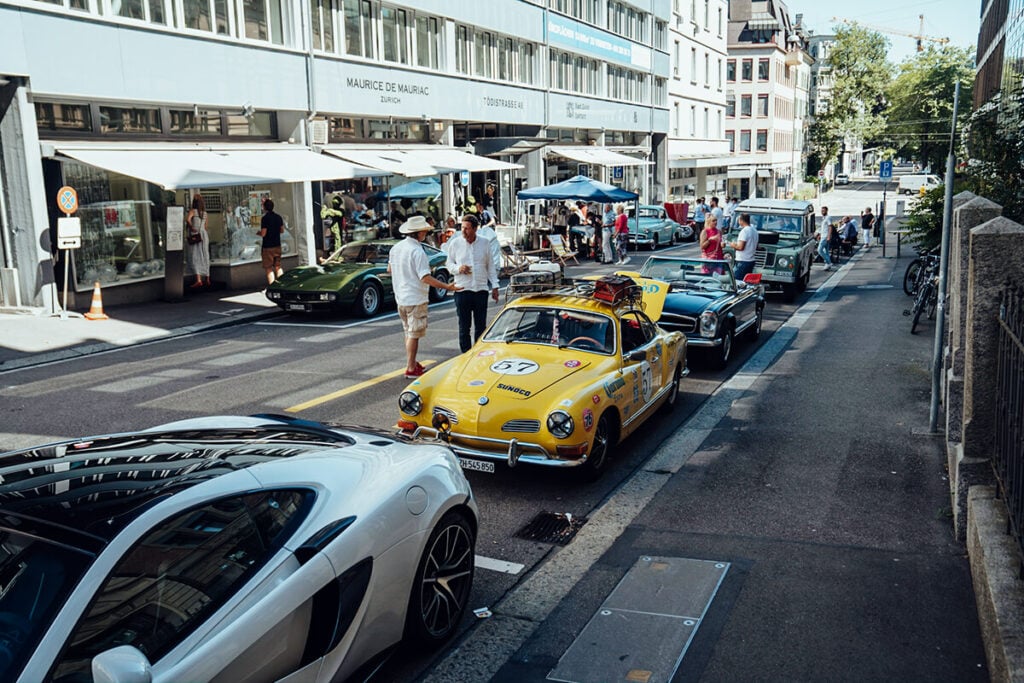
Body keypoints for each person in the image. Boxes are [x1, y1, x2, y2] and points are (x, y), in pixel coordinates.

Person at [387, 215, 460, 378]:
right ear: (419, 233)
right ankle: (411, 367)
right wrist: (447, 286)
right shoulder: (417, 251)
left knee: (408, 332)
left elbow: (389, 270)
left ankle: (412, 363)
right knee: (414, 334)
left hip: (401, 297)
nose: (426, 234)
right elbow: (425, 277)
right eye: (425, 231)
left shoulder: (396, 248)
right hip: (415, 297)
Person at [446, 214, 499, 353]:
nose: (464, 231)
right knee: (464, 327)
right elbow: (449, 264)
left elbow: (490, 266)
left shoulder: (485, 242)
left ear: (475, 229)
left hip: (480, 289)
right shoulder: (455, 243)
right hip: (462, 289)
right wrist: (458, 269)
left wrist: (495, 286)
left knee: (481, 326)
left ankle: (478, 352)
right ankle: (466, 354)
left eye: (467, 228)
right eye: (462, 228)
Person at [186, 193, 211, 288]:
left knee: (195, 255)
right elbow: (205, 226)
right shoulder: (205, 213)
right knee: (205, 254)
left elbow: (187, 220)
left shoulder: (193, 211)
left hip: (195, 234)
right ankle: (208, 278)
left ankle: (199, 279)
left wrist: (192, 227)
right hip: (204, 235)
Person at [259, 199, 285, 285]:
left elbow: (263, 233)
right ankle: (281, 285)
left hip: (268, 247)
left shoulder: (265, 218)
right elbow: (282, 230)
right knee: (278, 266)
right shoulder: (278, 217)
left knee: (268, 268)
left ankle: (272, 287)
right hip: (277, 245)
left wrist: (258, 233)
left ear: (265, 207)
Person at [729, 213, 758, 281]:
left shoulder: (744, 231)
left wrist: (733, 245)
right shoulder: (754, 230)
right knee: (746, 281)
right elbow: (756, 246)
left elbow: (740, 247)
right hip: (751, 260)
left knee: (736, 280)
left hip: (743, 261)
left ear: (741, 220)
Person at [815, 206, 834, 271]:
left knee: (819, 250)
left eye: (823, 210)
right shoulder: (824, 218)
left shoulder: (828, 218)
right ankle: (827, 265)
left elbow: (830, 227)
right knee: (826, 251)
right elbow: (823, 228)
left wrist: (829, 236)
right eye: (821, 210)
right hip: (823, 236)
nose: (822, 212)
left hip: (825, 237)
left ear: (826, 211)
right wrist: (820, 234)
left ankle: (829, 262)